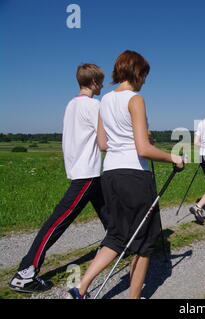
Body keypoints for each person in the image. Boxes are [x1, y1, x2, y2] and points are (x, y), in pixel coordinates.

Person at [64, 50, 185, 299]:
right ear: (137, 72)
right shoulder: (136, 99)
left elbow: (104, 144)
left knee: (117, 235)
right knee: (144, 241)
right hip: (134, 176)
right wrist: (173, 157)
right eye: (145, 75)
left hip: (110, 175)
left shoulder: (104, 100)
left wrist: (138, 137)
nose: (145, 81)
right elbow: (143, 149)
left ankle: (79, 289)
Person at [9, 64, 110, 293]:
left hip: (83, 171)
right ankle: (25, 273)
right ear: (94, 82)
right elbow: (105, 141)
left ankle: (120, 244)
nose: (102, 86)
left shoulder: (71, 104)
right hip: (86, 174)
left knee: (108, 211)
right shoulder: (95, 105)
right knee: (57, 221)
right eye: (101, 82)